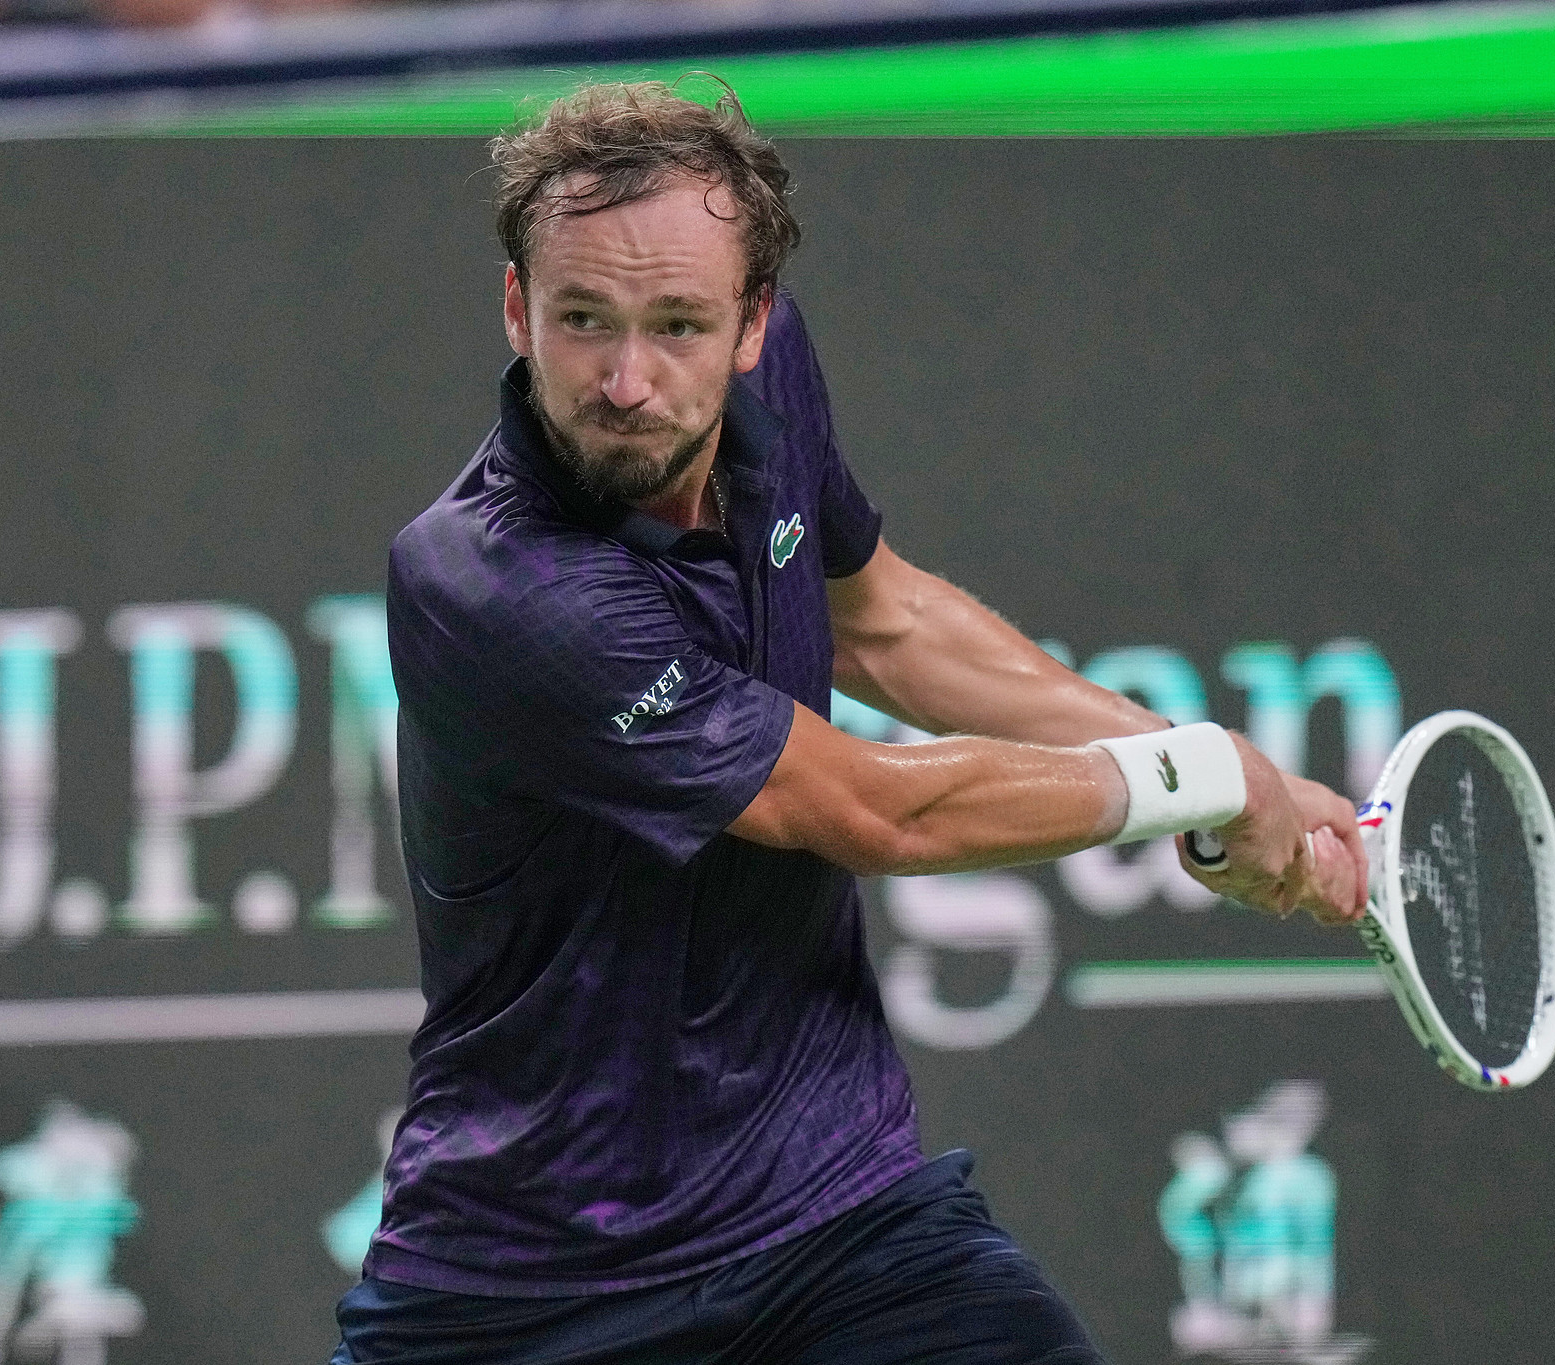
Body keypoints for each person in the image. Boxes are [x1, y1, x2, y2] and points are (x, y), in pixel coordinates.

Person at [339, 78, 1367, 1365]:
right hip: (531, 1285)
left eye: (679, 326)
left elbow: (887, 624)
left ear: (753, 323)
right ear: (514, 306)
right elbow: (874, 808)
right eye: (581, 320)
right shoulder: (492, 583)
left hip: (836, 1217)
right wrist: (1202, 773)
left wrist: (1218, 779)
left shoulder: (765, 408)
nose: (625, 377)